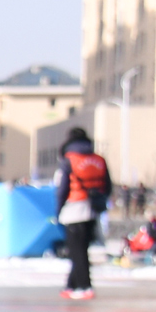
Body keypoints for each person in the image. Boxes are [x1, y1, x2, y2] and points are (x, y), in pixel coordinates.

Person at [54, 127, 112, 299]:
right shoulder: (99, 160)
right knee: (82, 249)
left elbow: (62, 190)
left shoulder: (69, 161)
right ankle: (71, 286)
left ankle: (84, 287)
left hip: (73, 210)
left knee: (76, 252)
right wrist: (98, 200)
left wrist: (58, 210)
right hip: (93, 210)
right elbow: (108, 186)